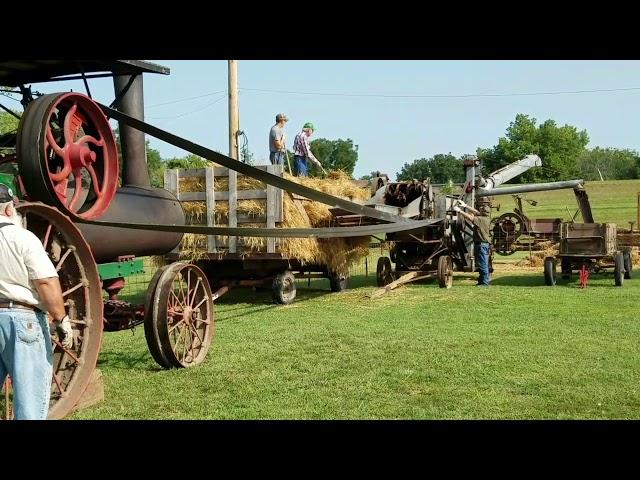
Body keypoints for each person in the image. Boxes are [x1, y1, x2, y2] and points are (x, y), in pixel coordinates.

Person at [0, 184, 73, 419]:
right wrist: (62, 320)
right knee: (30, 407)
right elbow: (46, 283)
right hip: (22, 321)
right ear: (11, 210)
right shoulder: (22, 238)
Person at [454, 199, 492, 286]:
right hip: (483, 244)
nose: (479, 211)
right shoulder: (486, 217)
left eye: (481, 210)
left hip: (482, 245)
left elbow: (470, 217)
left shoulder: (481, 220)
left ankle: (484, 283)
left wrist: (460, 211)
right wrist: (465, 206)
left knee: (483, 265)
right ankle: (481, 282)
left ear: (483, 212)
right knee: (483, 264)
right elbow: (476, 212)